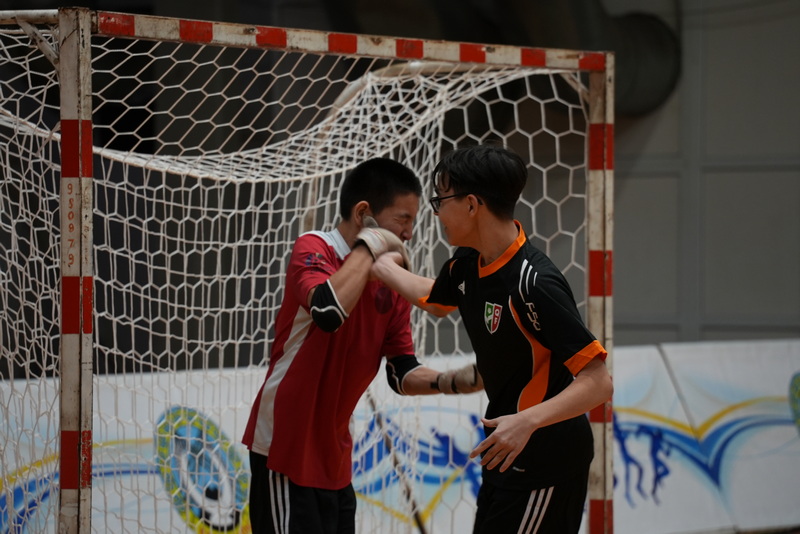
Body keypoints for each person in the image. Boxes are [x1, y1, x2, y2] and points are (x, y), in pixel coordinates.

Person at [371, 144, 614, 534]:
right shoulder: (467, 263)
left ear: (471, 204)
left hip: (545, 458)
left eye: (440, 200)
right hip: (505, 453)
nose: (436, 213)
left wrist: (526, 422)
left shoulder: (535, 283)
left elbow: (599, 382)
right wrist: (381, 264)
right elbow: (436, 300)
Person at [242, 157, 482, 534]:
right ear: (363, 213)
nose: (409, 233)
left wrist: (452, 381)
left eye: (413, 222)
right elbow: (328, 309)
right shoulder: (315, 247)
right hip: (285, 446)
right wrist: (370, 246)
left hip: (336, 455)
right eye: (403, 219)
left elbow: (401, 372)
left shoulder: (392, 280)